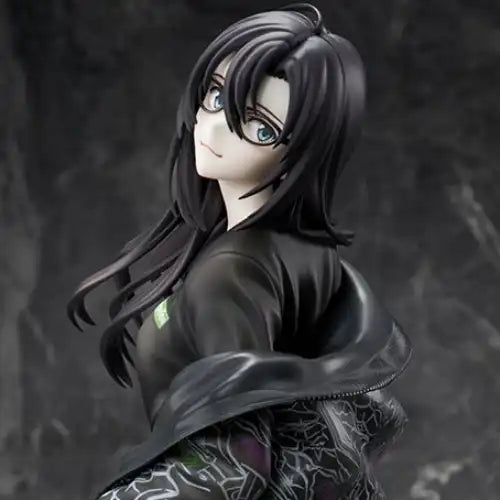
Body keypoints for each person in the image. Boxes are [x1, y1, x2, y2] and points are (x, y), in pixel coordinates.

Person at [67, 3, 413, 498]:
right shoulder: (304, 249)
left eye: (259, 127)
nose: (213, 128)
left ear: (304, 151)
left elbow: (235, 466)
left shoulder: (232, 272)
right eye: (215, 96)